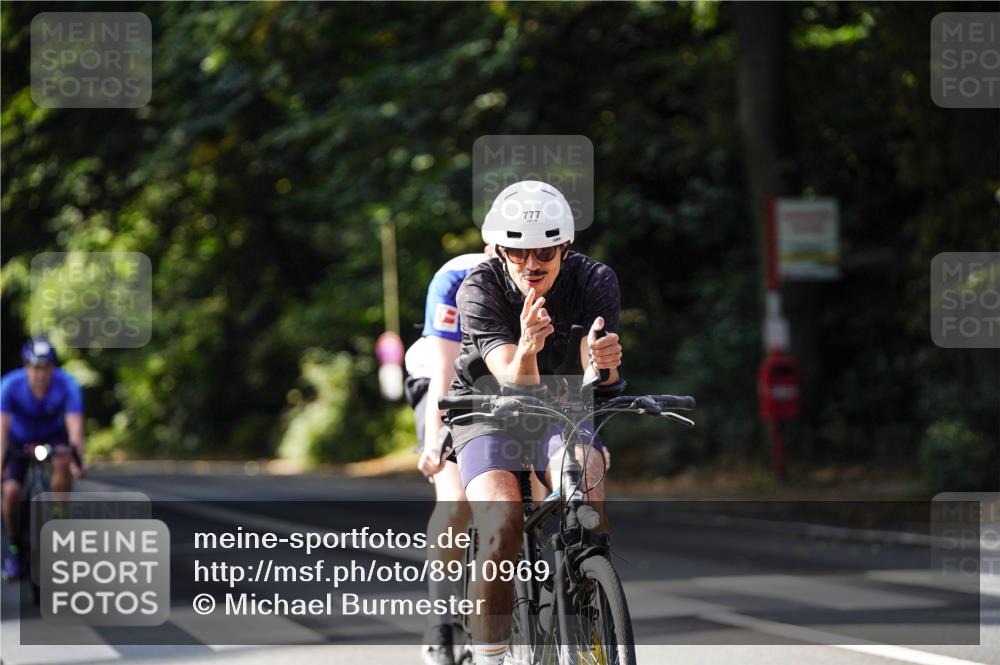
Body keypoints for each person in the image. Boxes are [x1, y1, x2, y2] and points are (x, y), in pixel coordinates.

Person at [447, 180, 623, 665]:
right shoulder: (479, 288)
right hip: (486, 410)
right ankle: (490, 654)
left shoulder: (594, 281)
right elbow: (511, 380)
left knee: (587, 474)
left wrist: (606, 362)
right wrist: (527, 345)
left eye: (544, 253)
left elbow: (595, 373)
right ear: (500, 251)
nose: (531, 265)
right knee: (502, 521)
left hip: (559, 407)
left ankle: (587, 598)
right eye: (518, 253)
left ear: (565, 247)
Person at [405, 247, 493, 665]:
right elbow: (444, 366)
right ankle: (440, 622)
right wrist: (435, 440)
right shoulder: (455, 276)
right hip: (441, 379)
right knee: (456, 497)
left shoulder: (544, 274)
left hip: (503, 383)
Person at [1, 336, 86, 580]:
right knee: (11, 493)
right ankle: (15, 549)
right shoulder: (9, 385)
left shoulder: (67, 384)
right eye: (35, 368)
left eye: (46, 368)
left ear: (53, 368)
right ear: (26, 367)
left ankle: (57, 521)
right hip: (17, 441)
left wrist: (77, 461)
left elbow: (75, 428)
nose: (41, 374)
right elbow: (1, 429)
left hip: (52, 437)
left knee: (63, 463)